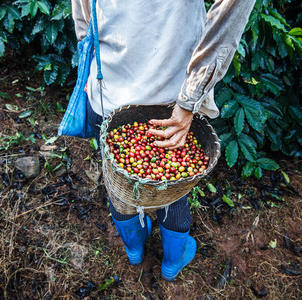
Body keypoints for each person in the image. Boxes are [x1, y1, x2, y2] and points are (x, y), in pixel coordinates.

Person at [72, 0, 256, 281]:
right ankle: (173, 259)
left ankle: (134, 246)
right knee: (172, 190)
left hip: (109, 86)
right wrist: (192, 96)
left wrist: (88, 49)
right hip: (170, 93)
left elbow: (84, 18)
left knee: (118, 183)